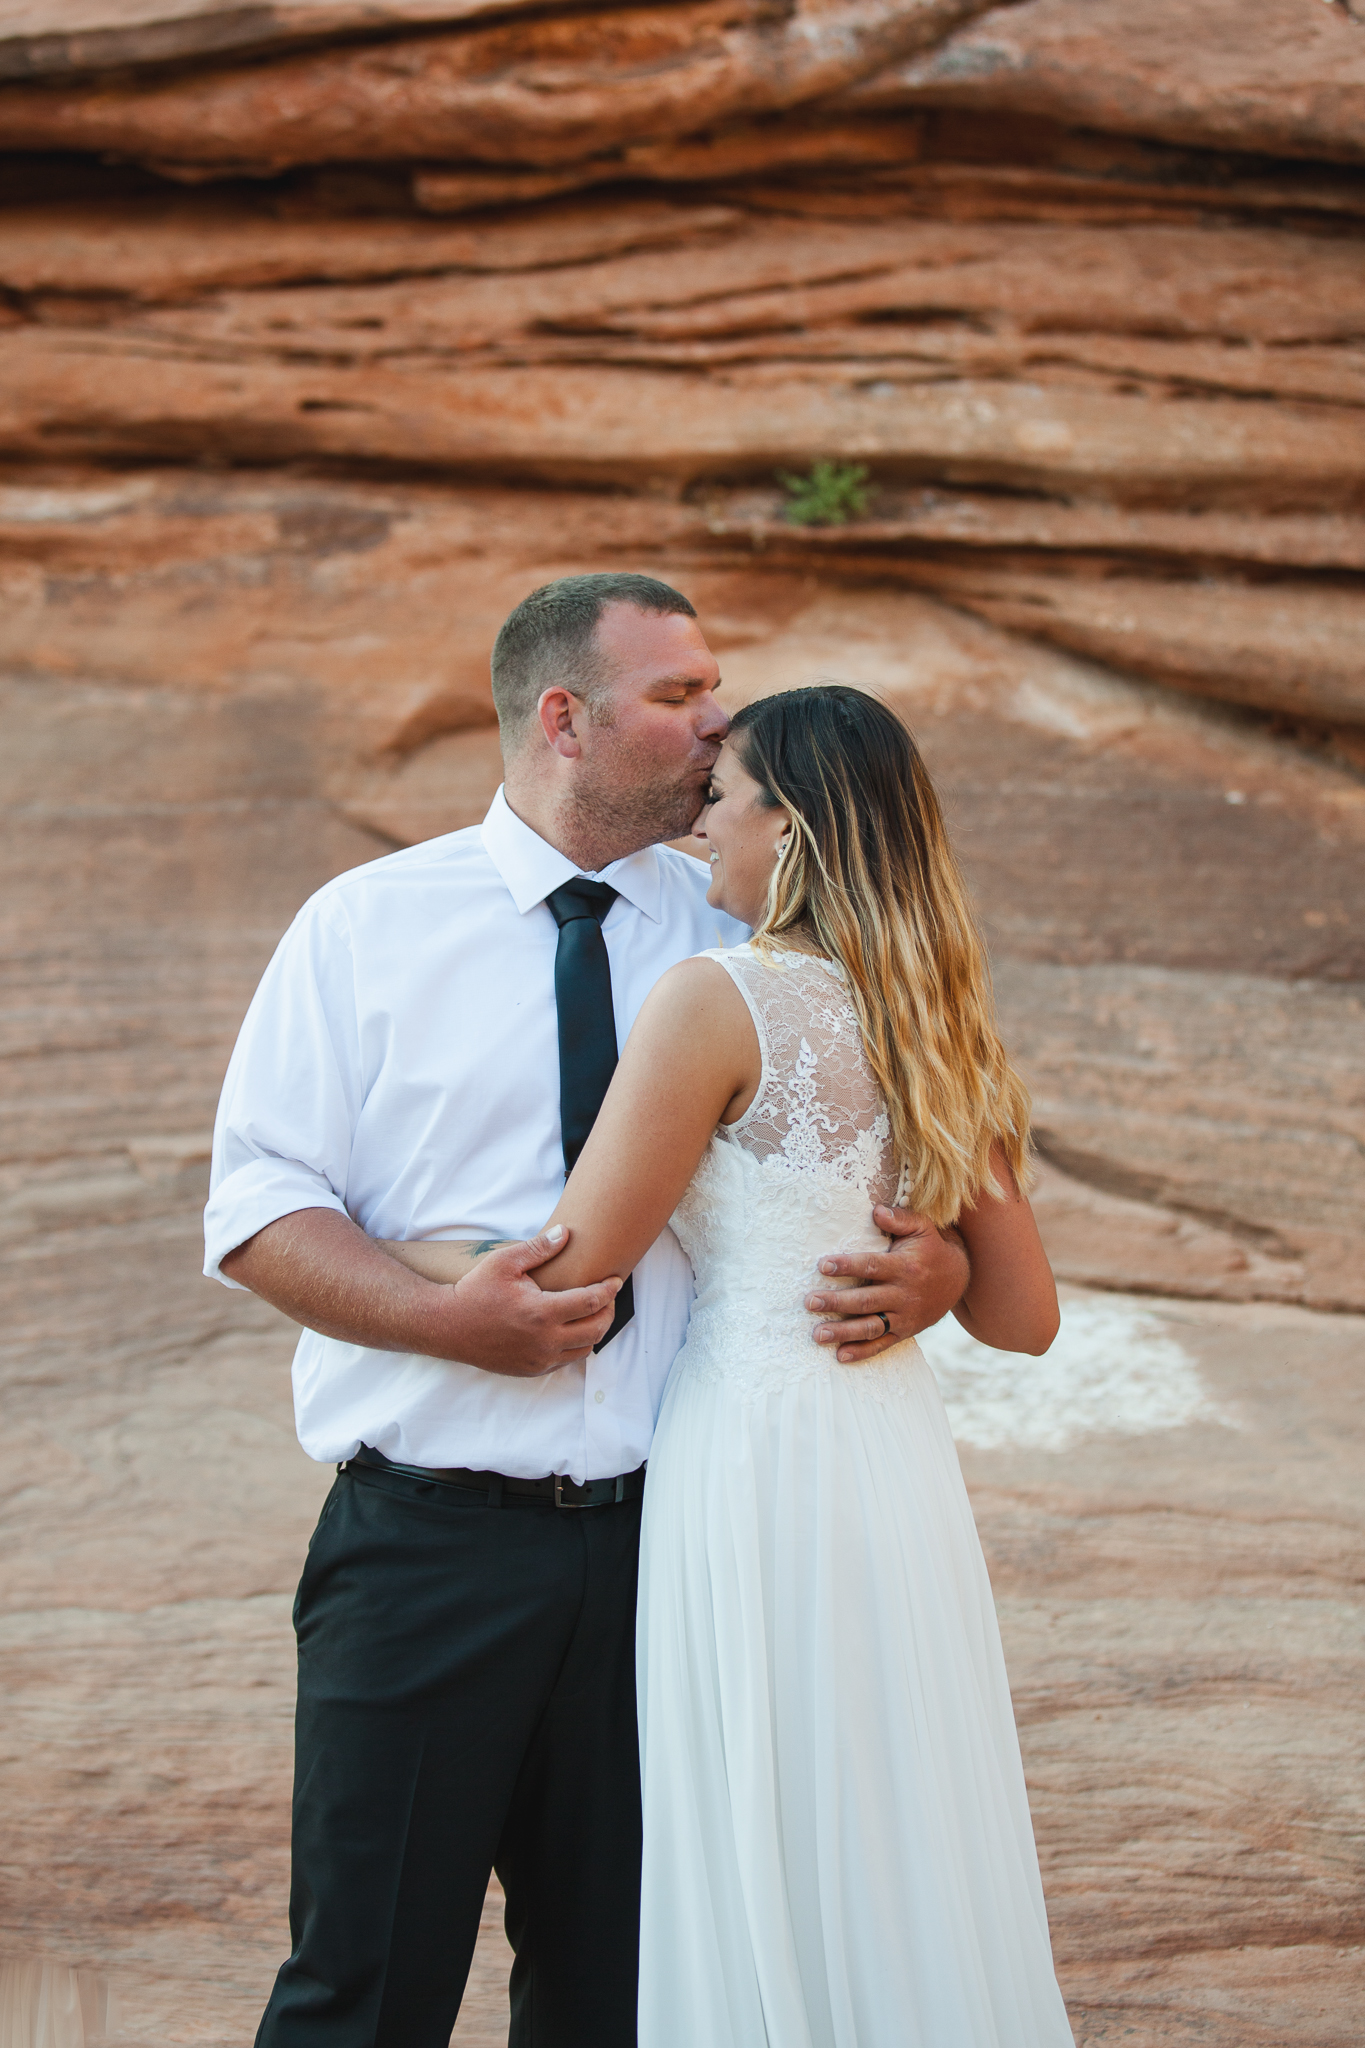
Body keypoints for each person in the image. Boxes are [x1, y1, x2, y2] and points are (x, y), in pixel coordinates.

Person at [203, 575, 975, 2048]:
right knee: (363, 1988)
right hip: (426, 1545)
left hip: (673, 1552)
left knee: (630, 1993)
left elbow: (897, 1138)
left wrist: (935, 1271)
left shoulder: (753, 923)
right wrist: (450, 1322)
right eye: (681, 696)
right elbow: (254, 1212)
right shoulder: (363, 926)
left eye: (718, 693)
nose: (720, 722)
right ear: (563, 718)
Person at [393, 684, 1074, 2045]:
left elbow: (574, 1264)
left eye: (723, 799)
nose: (700, 827)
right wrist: (932, 1276)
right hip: (888, 1463)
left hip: (755, 1464)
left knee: (760, 1801)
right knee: (893, 1804)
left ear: (796, 828)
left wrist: (405, 1241)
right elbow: (1026, 1318)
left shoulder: (715, 999)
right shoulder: (932, 1012)